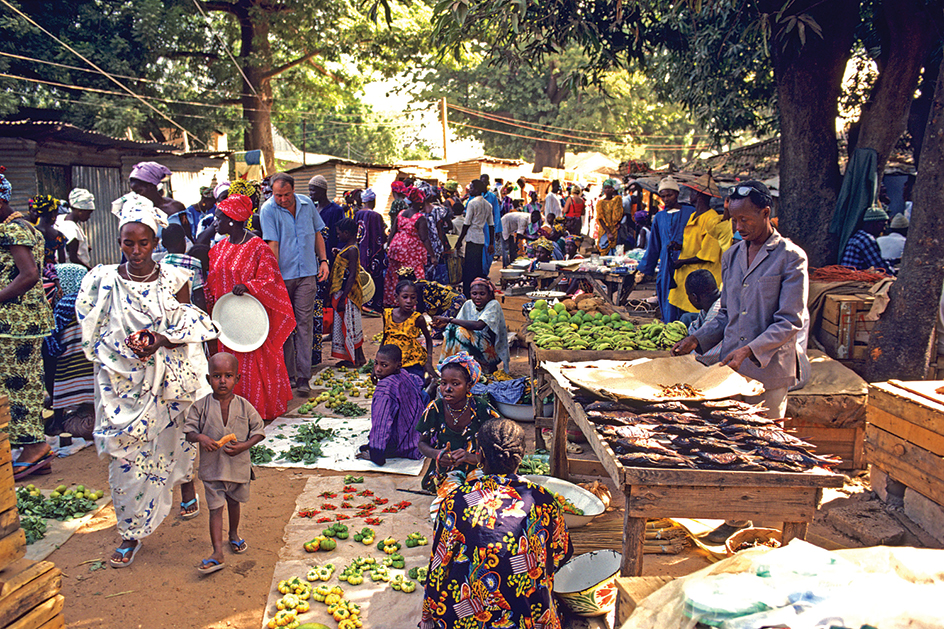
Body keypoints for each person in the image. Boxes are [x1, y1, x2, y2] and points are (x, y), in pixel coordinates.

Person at [76, 194, 218, 567]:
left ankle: (186, 484)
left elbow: (188, 325)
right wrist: (126, 348)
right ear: (119, 241)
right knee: (126, 457)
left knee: (177, 439)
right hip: (121, 383)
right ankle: (131, 531)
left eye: (143, 243)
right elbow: (92, 331)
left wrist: (161, 340)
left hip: (169, 380)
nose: (135, 251)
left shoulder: (175, 278)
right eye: (128, 243)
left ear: (156, 243)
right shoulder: (101, 281)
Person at [672, 181, 809, 543]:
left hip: (768, 371)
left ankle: (766, 520)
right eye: (734, 220)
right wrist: (698, 338)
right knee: (732, 443)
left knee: (764, 444)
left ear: (766, 214)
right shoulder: (732, 255)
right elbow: (726, 315)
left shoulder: (791, 257)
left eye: (745, 219)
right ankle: (737, 518)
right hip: (730, 370)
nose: (738, 227)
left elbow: (789, 320)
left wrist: (751, 349)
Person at [420, 417, 573, 629]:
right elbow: (561, 554)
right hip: (529, 619)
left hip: (466, 619)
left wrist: (428, 615)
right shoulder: (544, 500)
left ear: (480, 456)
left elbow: (439, 566)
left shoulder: (457, 501)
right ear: (520, 457)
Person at [207, 193, 295, 421]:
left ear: (233, 220)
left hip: (250, 321)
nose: (215, 222)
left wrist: (248, 286)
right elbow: (211, 282)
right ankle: (232, 412)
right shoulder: (219, 248)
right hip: (225, 318)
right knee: (227, 364)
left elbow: (271, 281)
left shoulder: (258, 248)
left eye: (219, 217)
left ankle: (257, 410)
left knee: (252, 365)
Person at [184, 352, 265, 574]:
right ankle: (217, 551)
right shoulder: (200, 406)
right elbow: (189, 431)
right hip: (212, 470)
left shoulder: (244, 406)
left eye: (228, 376)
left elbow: (259, 431)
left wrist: (245, 445)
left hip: (237, 468)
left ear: (237, 379)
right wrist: (201, 437)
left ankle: (234, 534)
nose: (222, 381)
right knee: (215, 509)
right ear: (208, 378)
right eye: (217, 376)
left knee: (234, 503)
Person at [0, 170, 56, 479]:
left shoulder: (13, 231)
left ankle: (33, 447)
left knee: (17, 386)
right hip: (22, 321)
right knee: (25, 382)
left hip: (15, 321)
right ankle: (33, 450)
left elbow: (29, 274)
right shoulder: (25, 227)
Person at [259, 172, 330, 395]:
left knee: (304, 325)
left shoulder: (307, 204)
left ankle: (303, 377)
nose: (282, 199)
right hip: (283, 276)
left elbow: (318, 234)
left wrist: (324, 261)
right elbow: (273, 244)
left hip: (308, 273)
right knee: (285, 326)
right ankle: (288, 375)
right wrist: (273, 277)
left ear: (293, 189)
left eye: (286, 194)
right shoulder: (268, 210)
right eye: (278, 195)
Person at [416, 352, 500, 492]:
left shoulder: (481, 407)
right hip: (445, 469)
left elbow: (503, 439)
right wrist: (437, 454)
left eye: (455, 384)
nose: (447, 389)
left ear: (468, 387)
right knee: (452, 493)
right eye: (443, 383)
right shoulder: (435, 408)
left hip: (478, 466)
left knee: (481, 493)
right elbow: (422, 443)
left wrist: (473, 457)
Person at [44, 264, 95, 436]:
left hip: (68, 375)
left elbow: (54, 345)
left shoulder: (63, 305)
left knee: (52, 365)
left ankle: (58, 422)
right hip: (93, 376)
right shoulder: (95, 302)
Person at [355, 344, 424, 466]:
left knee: (381, 427)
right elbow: (419, 382)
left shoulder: (385, 388)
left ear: (398, 365)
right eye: (376, 363)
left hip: (403, 443)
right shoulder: (403, 373)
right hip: (418, 436)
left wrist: (376, 453)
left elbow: (381, 423)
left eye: (384, 365)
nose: (378, 369)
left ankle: (379, 448)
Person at [638, 176, 694, 322]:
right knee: (667, 297)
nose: (666, 199)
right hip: (666, 265)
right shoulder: (659, 217)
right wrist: (645, 268)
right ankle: (670, 328)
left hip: (687, 263)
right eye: (663, 196)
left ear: (677, 194)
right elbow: (654, 245)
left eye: (669, 195)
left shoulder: (691, 213)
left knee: (687, 296)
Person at [669, 174, 725, 315]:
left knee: (695, 317)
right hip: (686, 276)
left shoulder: (711, 219)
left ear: (699, 195)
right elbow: (694, 243)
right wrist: (679, 246)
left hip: (701, 280)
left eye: (693, 191)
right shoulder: (694, 216)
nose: (690, 194)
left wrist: (682, 261)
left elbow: (707, 254)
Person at [436, 277, 510, 374]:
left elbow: (479, 325)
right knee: (451, 328)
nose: (478, 297)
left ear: (489, 295)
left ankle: (463, 367)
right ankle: (448, 365)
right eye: (474, 294)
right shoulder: (468, 304)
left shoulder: (493, 304)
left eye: (482, 294)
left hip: (491, 354)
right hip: (473, 348)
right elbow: (454, 326)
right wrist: (445, 324)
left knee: (460, 331)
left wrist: (449, 319)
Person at [385, 186, 435, 305]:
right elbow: (424, 238)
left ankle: (394, 301)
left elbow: (393, 231)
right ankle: (412, 303)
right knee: (413, 277)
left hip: (396, 248)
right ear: (421, 202)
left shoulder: (401, 213)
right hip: (410, 251)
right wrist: (432, 256)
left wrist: (388, 246)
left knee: (395, 275)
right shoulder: (420, 218)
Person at [329, 217, 366, 368]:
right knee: (351, 326)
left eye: (339, 234)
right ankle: (357, 357)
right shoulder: (348, 248)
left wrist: (344, 296)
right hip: (345, 293)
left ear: (346, 233)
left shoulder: (352, 250)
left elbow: (351, 275)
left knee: (349, 325)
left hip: (348, 294)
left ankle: (355, 359)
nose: (338, 236)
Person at [382, 280, 436, 381]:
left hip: (412, 362)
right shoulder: (387, 315)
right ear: (396, 297)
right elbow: (385, 338)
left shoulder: (417, 318)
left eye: (413, 297)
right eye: (405, 297)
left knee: (413, 387)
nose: (409, 301)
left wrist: (428, 361)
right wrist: (378, 363)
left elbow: (429, 339)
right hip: (392, 361)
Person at [454, 179, 494, 298]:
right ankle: (478, 291)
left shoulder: (472, 203)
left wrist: (459, 240)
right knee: (477, 266)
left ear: (476, 189)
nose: (469, 190)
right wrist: (491, 243)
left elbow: (467, 224)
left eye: (471, 188)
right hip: (480, 238)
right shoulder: (488, 205)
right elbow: (491, 225)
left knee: (469, 268)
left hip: (471, 238)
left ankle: (468, 293)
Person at [162, 223, 207, 311]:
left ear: (164, 244)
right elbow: (198, 296)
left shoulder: (160, 265)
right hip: (189, 313)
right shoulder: (194, 263)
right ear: (183, 242)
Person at [354, 188, 387, 313]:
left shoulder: (357, 214)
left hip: (360, 251)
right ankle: (374, 304)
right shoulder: (376, 216)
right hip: (374, 252)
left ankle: (362, 302)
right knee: (375, 277)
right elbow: (380, 237)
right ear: (373, 201)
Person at [840, 206, 894, 274]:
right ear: (874, 223)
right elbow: (881, 268)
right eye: (883, 225)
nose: (883, 229)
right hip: (855, 278)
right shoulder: (866, 240)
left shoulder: (858, 236)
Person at [57, 189, 95, 268]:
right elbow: (73, 258)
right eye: (88, 213)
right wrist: (90, 270)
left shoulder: (61, 219)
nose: (89, 217)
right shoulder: (71, 228)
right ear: (80, 211)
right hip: (74, 270)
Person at [595, 178, 624, 255]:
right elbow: (600, 219)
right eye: (606, 188)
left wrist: (618, 223)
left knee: (615, 252)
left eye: (609, 188)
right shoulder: (600, 203)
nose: (608, 190)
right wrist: (608, 232)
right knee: (604, 250)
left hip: (614, 230)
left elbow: (619, 213)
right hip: (604, 230)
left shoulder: (617, 200)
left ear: (613, 189)